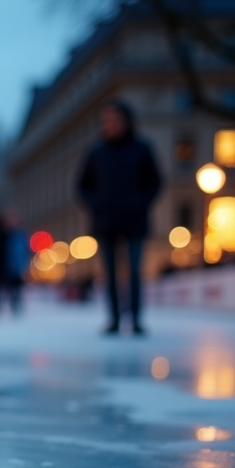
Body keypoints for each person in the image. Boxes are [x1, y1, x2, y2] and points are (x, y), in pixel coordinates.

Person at [78, 101, 162, 335]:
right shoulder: (96, 152)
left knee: (135, 271)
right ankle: (114, 317)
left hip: (135, 221)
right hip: (106, 222)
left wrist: (139, 203)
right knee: (110, 273)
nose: (110, 125)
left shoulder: (141, 149)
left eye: (115, 120)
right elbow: (82, 186)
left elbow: (155, 182)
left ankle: (135, 318)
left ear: (126, 122)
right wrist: (97, 204)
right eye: (106, 121)